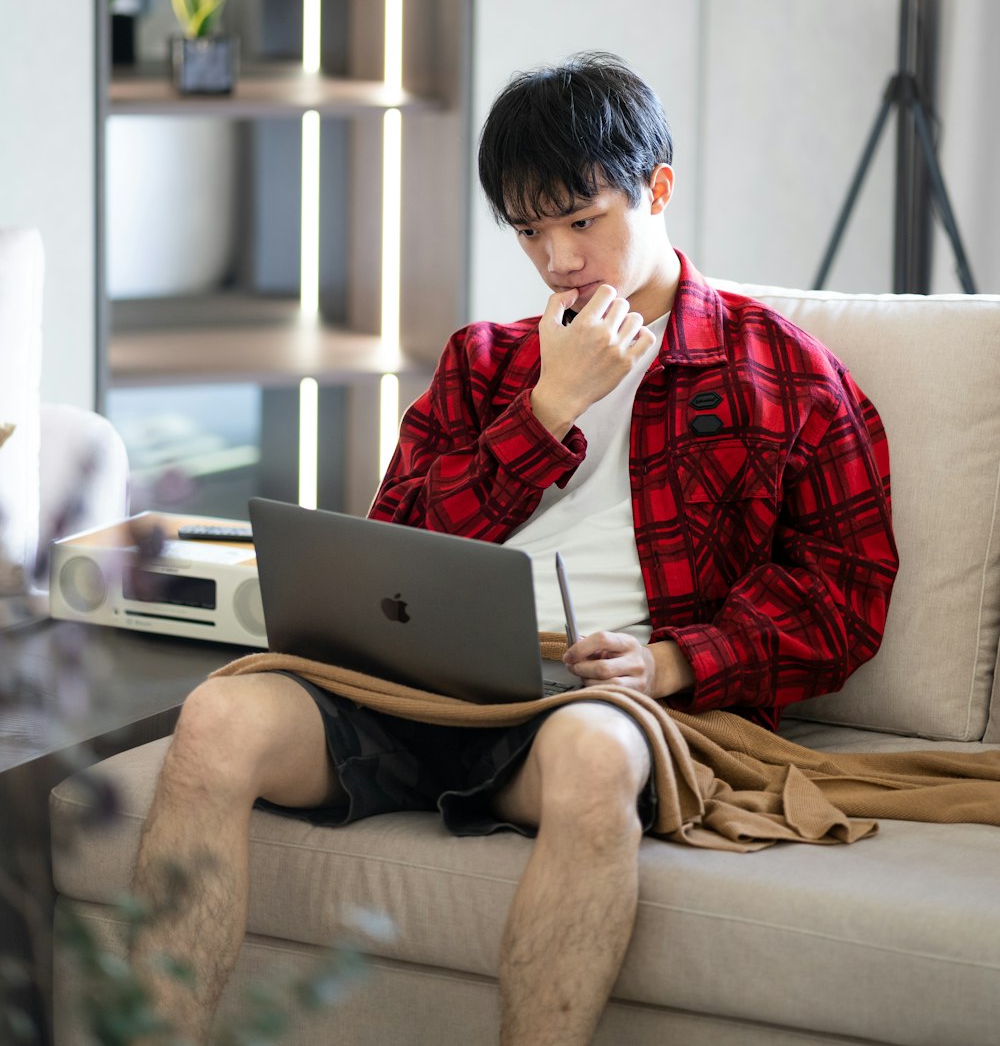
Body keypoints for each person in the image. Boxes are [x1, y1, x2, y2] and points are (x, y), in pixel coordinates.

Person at [131, 53, 897, 1046]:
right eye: (531, 232)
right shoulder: (485, 362)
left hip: (588, 700)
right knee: (218, 716)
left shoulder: (782, 374)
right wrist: (548, 408)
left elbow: (846, 593)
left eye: (583, 221)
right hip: (418, 685)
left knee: (588, 756)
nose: (560, 260)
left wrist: (675, 661)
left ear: (657, 189)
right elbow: (392, 551)